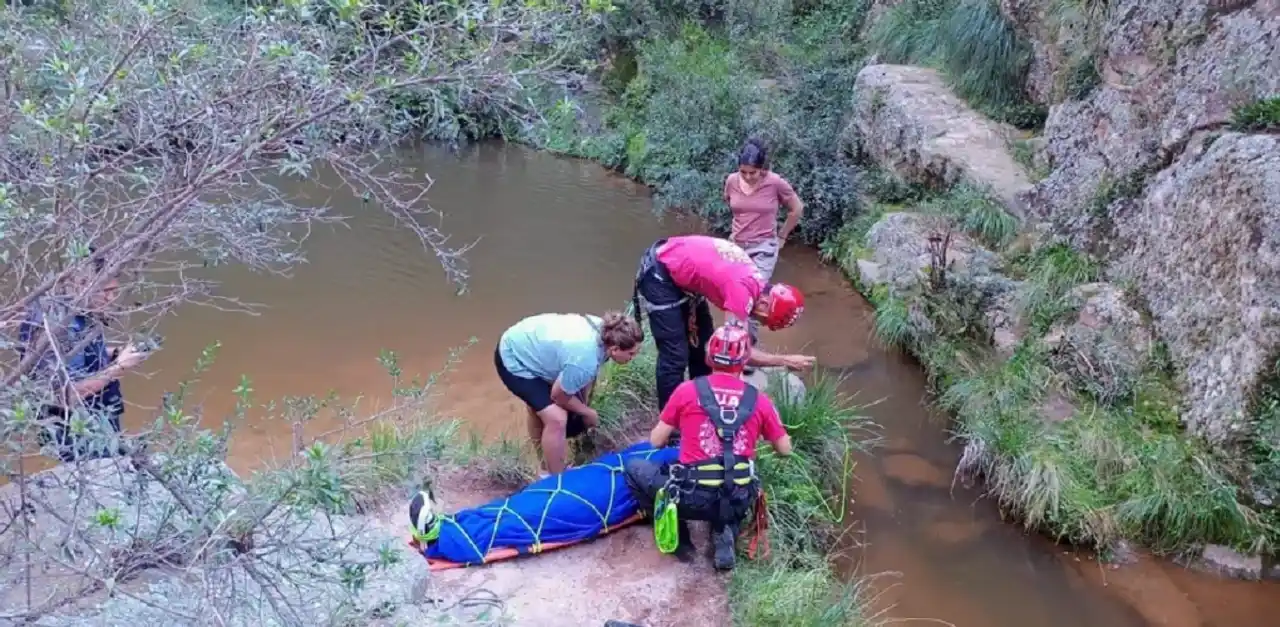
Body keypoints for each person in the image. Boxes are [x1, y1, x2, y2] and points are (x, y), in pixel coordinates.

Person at [624, 322, 793, 571]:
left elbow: (656, 441)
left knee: (634, 468)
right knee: (732, 481)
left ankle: (680, 538)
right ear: (745, 359)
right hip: (737, 497)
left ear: (708, 356)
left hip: (691, 497)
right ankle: (725, 531)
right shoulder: (758, 400)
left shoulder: (687, 391)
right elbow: (785, 449)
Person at [630, 233, 814, 411]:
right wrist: (784, 360)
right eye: (764, 321)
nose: (761, 323)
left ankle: (700, 406)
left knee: (702, 346)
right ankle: (670, 426)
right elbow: (734, 351)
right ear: (765, 304)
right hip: (660, 274)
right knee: (675, 356)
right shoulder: (741, 291)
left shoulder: (754, 281)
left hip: (683, 275)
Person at [16, 254, 151, 462]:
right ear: (81, 284)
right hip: (77, 434)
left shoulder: (75, 310)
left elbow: (74, 354)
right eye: (106, 292)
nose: (111, 298)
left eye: (115, 291)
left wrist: (111, 353)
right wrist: (119, 368)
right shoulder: (56, 325)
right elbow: (65, 396)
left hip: (97, 421)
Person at [495, 311, 644, 475]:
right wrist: (588, 413)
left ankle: (545, 466)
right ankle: (557, 478)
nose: (633, 358)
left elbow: (584, 379)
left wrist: (582, 405)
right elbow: (558, 395)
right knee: (556, 418)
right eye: (631, 354)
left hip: (531, 344)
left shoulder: (607, 331)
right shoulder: (585, 359)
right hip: (513, 357)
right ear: (615, 349)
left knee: (541, 408)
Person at [724, 138, 805, 344]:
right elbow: (732, 206)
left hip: (763, 248)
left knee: (751, 295)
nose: (748, 177)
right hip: (736, 247)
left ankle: (747, 348)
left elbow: (797, 209)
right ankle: (735, 344)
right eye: (744, 172)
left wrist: (782, 236)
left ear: (763, 169)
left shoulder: (775, 182)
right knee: (734, 294)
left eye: (753, 172)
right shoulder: (732, 181)